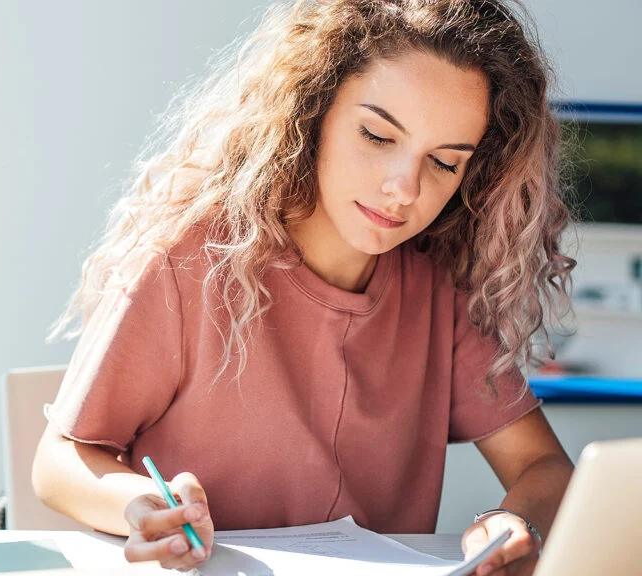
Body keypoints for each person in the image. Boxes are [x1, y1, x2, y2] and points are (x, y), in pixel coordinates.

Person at [32, 1, 577, 574]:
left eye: (444, 162)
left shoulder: (439, 291)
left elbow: (544, 466)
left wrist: (515, 523)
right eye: (376, 134)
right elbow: (60, 458)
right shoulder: (190, 259)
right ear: (312, 110)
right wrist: (138, 508)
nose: (403, 188)